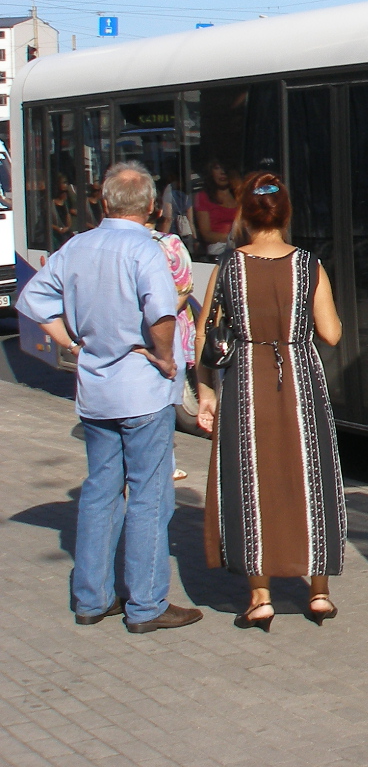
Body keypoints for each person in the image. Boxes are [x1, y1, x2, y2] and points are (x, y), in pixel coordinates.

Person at [17, 162, 202, 633]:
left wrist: (71, 344)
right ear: (153, 208)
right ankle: (146, 604)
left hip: (96, 389)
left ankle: (91, 599)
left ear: (104, 202)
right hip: (142, 391)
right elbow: (162, 315)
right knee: (149, 496)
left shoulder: (77, 246)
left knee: (100, 491)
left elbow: (34, 299)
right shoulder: (146, 251)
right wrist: (165, 360)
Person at [196, 171, 345, 630]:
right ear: (286, 214)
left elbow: (203, 334)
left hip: (246, 383)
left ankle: (260, 597)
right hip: (300, 380)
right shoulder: (309, 266)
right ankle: (318, 593)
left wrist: (204, 393)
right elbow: (332, 333)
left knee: (250, 481)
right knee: (310, 478)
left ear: (246, 214)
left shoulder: (228, 268)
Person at [145, 206, 198, 482]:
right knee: (165, 398)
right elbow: (185, 288)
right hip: (172, 331)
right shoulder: (172, 244)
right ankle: (165, 463)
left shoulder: (123, 245)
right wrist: (162, 316)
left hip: (140, 333)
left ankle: (157, 463)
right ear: (159, 211)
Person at [192, 160, 239, 257]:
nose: (223, 172)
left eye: (226, 169)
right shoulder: (203, 197)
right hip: (217, 251)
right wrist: (232, 239)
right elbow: (206, 234)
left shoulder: (240, 196)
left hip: (242, 247)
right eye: (217, 168)